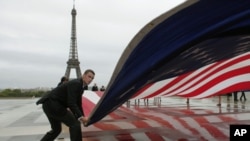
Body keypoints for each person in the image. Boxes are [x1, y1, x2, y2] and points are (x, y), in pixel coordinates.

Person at [36, 69, 95, 141]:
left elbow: (78, 104)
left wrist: (82, 117)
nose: (90, 79)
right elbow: (71, 103)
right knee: (75, 125)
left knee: (56, 130)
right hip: (54, 105)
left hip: (48, 105)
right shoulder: (76, 83)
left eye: (92, 78)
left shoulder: (80, 86)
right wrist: (81, 117)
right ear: (83, 75)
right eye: (89, 76)